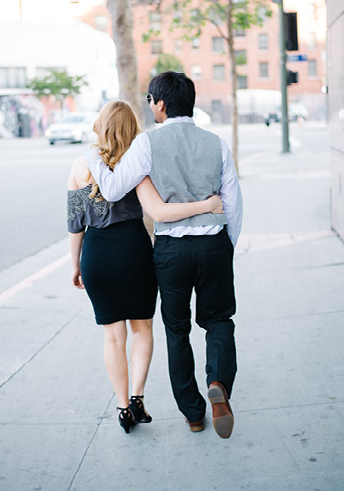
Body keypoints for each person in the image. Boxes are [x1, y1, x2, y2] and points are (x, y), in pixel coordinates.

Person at [86, 72, 242, 439]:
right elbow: (233, 202)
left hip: (171, 249)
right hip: (213, 242)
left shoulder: (146, 144)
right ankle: (218, 381)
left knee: (176, 330)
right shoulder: (216, 143)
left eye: (150, 99)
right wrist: (226, 246)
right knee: (219, 320)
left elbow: (109, 188)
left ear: (160, 103)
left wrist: (93, 152)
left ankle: (193, 413)